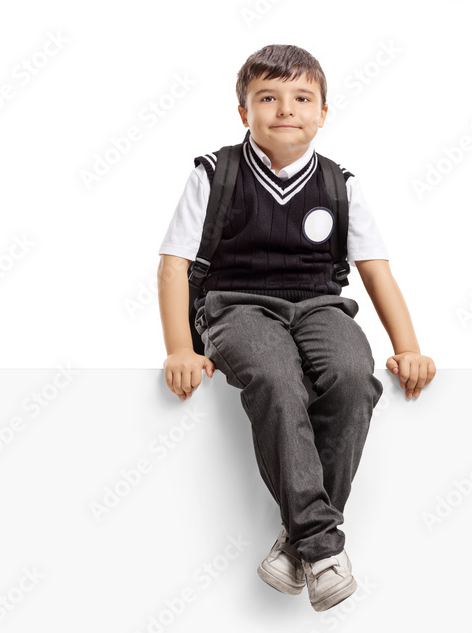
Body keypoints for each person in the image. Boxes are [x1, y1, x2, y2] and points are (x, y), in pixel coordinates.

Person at [156, 44, 435, 612]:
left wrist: (409, 348)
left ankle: (298, 542)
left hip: (319, 306)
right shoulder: (215, 173)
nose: (286, 109)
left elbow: (376, 272)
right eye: (268, 98)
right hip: (235, 305)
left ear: (324, 112)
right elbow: (173, 266)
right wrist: (179, 349)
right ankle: (324, 545)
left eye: (302, 97)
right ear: (244, 113)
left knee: (353, 376)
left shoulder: (340, 184)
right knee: (277, 378)